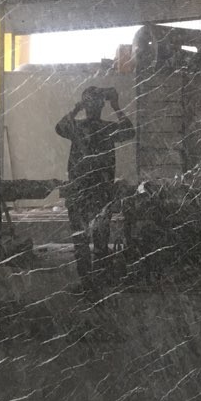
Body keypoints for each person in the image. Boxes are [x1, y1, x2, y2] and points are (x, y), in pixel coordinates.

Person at [55, 86, 135, 279]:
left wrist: (77, 108)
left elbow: (60, 127)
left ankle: (88, 283)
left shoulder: (79, 128)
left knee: (82, 240)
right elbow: (129, 131)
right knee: (97, 239)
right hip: (99, 189)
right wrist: (116, 105)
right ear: (101, 106)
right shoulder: (106, 129)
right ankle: (98, 280)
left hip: (83, 189)